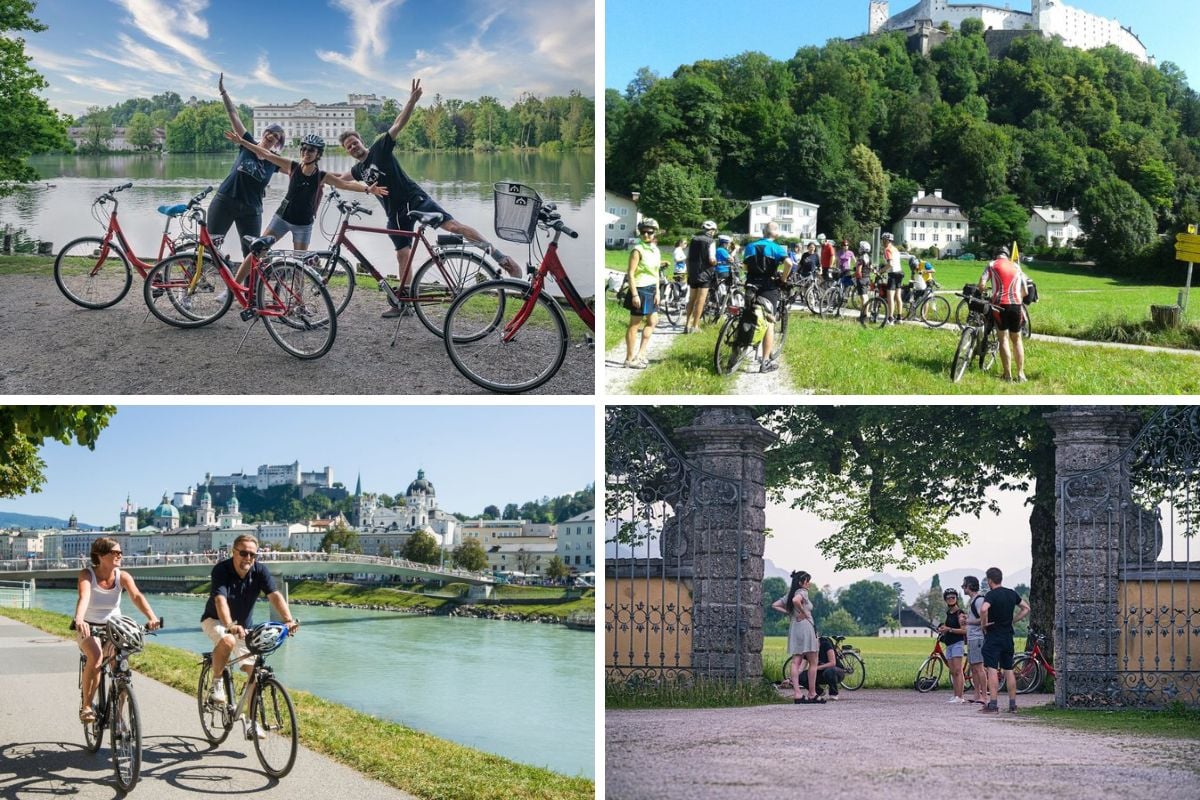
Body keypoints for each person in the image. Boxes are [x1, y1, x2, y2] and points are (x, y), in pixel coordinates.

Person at [335, 79, 521, 317]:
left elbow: (398, 123)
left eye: (355, 143)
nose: (353, 148)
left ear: (361, 141)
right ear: (346, 151)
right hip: (395, 214)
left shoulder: (380, 147)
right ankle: (403, 304)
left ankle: (503, 260)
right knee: (402, 256)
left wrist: (411, 100)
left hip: (415, 200)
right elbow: (339, 177)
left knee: (455, 227)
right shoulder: (359, 171)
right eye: (349, 147)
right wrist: (305, 169)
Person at [222, 130, 388, 289]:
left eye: (311, 150)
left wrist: (368, 189)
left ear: (318, 154)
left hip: (303, 225)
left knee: (299, 266)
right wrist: (242, 142)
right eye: (304, 148)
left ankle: (298, 304)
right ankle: (231, 289)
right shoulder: (292, 166)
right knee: (257, 251)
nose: (306, 152)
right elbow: (266, 154)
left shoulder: (322, 176)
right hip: (282, 218)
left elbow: (344, 184)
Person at [201, 534, 299, 714]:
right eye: (244, 553)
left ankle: (250, 721)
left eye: (252, 555)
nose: (248, 558)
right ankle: (216, 683)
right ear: (234, 552)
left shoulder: (260, 571)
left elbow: (274, 595)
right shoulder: (221, 570)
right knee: (228, 640)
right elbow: (220, 601)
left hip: (244, 628)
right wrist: (229, 624)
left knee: (254, 673)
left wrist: (287, 620)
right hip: (215, 620)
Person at [74, 537, 160, 723]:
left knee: (122, 670)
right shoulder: (87, 575)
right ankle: (87, 706)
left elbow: (136, 596)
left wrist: (151, 617)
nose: (120, 555)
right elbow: (84, 597)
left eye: (120, 552)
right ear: (101, 555)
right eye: (115, 552)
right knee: (96, 657)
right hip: (89, 627)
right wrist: (79, 619)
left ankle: (117, 713)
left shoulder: (123, 576)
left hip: (115, 629)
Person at [210, 73, 284, 257]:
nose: (272, 137)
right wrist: (224, 93)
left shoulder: (274, 161)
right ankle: (203, 280)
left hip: (251, 210)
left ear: (277, 144)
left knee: (253, 253)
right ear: (265, 132)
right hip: (225, 200)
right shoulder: (247, 143)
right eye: (271, 132)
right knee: (211, 245)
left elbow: (297, 171)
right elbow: (233, 115)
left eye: (276, 137)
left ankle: (249, 286)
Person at [979, 566, 1030, 714]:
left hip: (993, 636)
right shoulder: (1011, 593)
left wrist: (983, 624)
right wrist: (1013, 621)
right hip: (1008, 636)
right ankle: (1012, 704)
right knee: (1009, 670)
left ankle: (993, 704)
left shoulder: (991, 595)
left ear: (989, 580)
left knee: (992, 669)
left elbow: (983, 609)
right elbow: (1026, 608)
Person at [741, 221, 791, 373]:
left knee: (748, 314)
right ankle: (765, 362)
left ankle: (738, 351)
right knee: (769, 321)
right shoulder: (776, 248)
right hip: (768, 287)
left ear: (763, 232)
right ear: (775, 233)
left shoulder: (750, 246)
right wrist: (782, 279)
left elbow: (745, 266)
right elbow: (789, 263)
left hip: (750, 284)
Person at [978, 245, 1028, 382]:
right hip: (1016, 305)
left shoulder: (992, 265)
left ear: (996, 255)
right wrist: (1017, 299)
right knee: (1017, 340)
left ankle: (1007, 375)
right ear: (1007, 255)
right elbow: (1025, 291)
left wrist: (982, 292)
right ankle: (1021, 374)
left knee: (1003, 338)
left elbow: (982, 284)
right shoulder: (1016, 266)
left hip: (999, 305)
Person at [772, 571, 823, 704]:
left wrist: (790, 613)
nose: (809, 583)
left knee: (796, 661)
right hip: (806, 627)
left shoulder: (789, 594)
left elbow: (775, 605)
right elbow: (796, 601)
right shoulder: (802, 592)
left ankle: (797, 694)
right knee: (813, 661)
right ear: (801, 583)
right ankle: (812, 694)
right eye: (807, 581)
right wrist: (804, 612)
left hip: (795, 627)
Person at [624, 218, 660, 368]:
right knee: (634, 325)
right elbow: (630, 273)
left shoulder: (655, 250)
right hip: (640, 289)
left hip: (652, 289)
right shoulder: (637, 250)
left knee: (653, 322)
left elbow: (656, 273)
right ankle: (629, 359)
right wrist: (634, 294)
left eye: (649, 232)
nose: (646, 235)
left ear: (654, 233)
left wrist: (658, 292)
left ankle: (641, 353)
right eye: (643, 232)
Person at [683, 220, 718, 333]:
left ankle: (687, 324)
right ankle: (695, 326)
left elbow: (688, 258)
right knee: (700, 300)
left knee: (691, 299)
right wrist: (716, 263)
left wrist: (689, 272)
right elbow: (712, 259)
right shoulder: (711, 241)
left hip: (693, 273)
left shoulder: (693, 239)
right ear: (712, 231)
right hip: (705, 274)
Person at [936, 588, 968, 704]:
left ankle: (960, 697)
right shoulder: (948, 613)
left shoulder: (960, 614)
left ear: (956, 599)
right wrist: (942, 629)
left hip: (957, 644)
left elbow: (964, 630)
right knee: (953, 671)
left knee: (958, 671)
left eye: (953, 597)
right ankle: (956, 695)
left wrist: (949, 629)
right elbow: (948, 628)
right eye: (948, 598)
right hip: (949, 644)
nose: (950, 599)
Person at [962, 575, 990, 705]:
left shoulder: (978, 600)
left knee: (979, 668)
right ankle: (976, 694)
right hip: (972, 638)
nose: (963, 588)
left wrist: (968, 621)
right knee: (974, 668)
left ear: (970, 586)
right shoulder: (972, 601)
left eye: (964, 585)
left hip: (977, 638)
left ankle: (984, 696)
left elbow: (983, 619)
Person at [805, 635, 845, 701]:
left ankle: (833, 693)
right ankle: (819, 692)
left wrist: (816, 668)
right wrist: (790, 679)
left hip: (836, 671)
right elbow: (801, 667)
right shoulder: (808, 650)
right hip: (820, 674)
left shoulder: (825, 644)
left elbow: (832, 663)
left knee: (829, 671)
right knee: (801, 676)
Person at [881, 232, 902, 324]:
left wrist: (881, 271)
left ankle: (890, 319)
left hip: (893, 274)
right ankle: (899, 318)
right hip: (900, 272)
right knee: (898, 296)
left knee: (890, 297)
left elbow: (890, 264)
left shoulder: (887, 250)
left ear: (886, 240)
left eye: (883, 240)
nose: (882, 241)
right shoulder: (895, 249)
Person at [855, 241, 873, 325]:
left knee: (864, 298)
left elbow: (858, 271)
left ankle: (864, 315)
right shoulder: (868, 257)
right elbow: (871, 268)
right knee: (866, 297)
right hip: (867, 278)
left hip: (861, 279)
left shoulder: (861, 258)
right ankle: (864, 315)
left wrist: (855, 277)